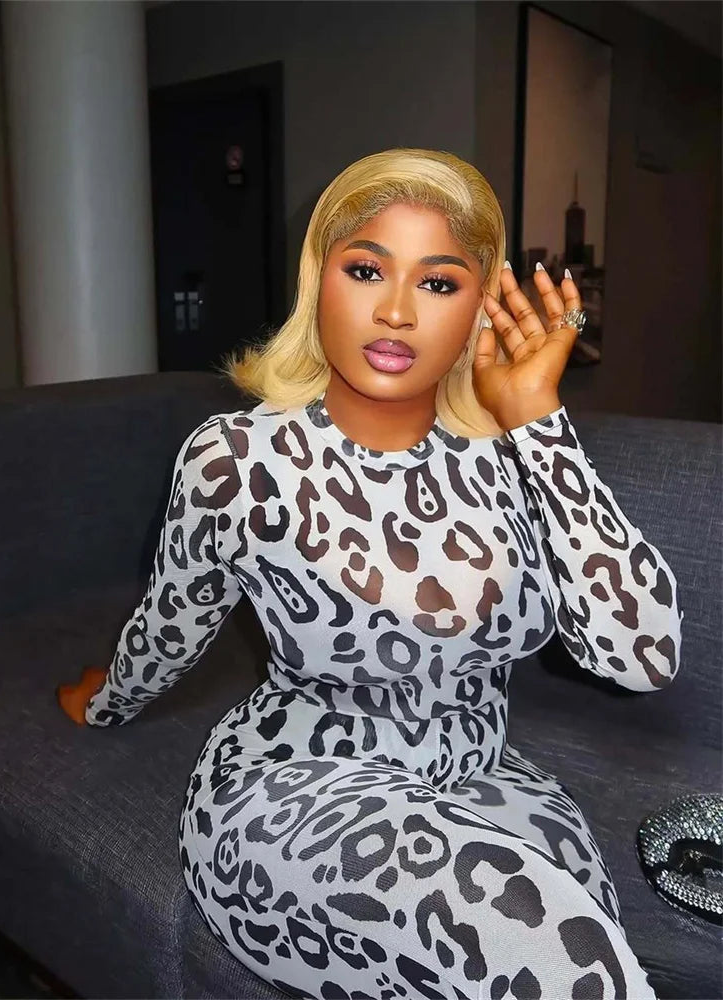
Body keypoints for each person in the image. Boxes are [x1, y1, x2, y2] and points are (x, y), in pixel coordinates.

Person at [58, 148, 683, 999]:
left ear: (481, 306)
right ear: (320, 280)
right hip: (295, 792)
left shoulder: (513, 456)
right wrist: (106, 699)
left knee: (582, 939)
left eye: (438, 283)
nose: (395, 311)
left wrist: (539, 421)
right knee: (559, 955)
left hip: (482, 784)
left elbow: (643, 657)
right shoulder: (239, 460)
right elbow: (175, 620)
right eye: (365, 270)